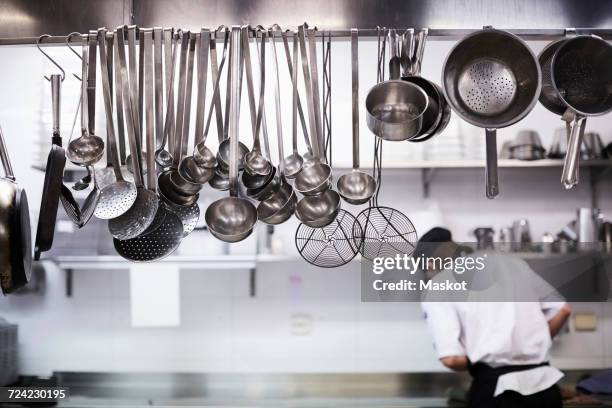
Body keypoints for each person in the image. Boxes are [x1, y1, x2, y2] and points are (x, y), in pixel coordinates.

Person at [417, 227, 572, 408]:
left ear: (429, 263)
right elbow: (564, 310)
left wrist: (481, 355)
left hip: (496, 392)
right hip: (544, 388)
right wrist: (534, 342)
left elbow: (451, 359)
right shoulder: (513, 265)